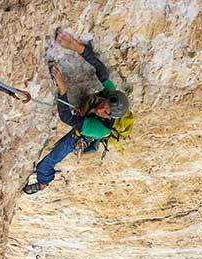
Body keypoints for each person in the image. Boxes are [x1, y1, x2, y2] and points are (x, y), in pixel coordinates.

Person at [23, 31, 129, 194]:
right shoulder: (110, 94)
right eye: (104, 104)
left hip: (80, 135)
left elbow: (66, 117)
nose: (101, 109)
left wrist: (62, 88)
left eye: (106, 112)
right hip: (86, 119)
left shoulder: (100, 128)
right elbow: (101, 70)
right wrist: (76, 46)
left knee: (47, 162)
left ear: (111, 116)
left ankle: (43, 181)